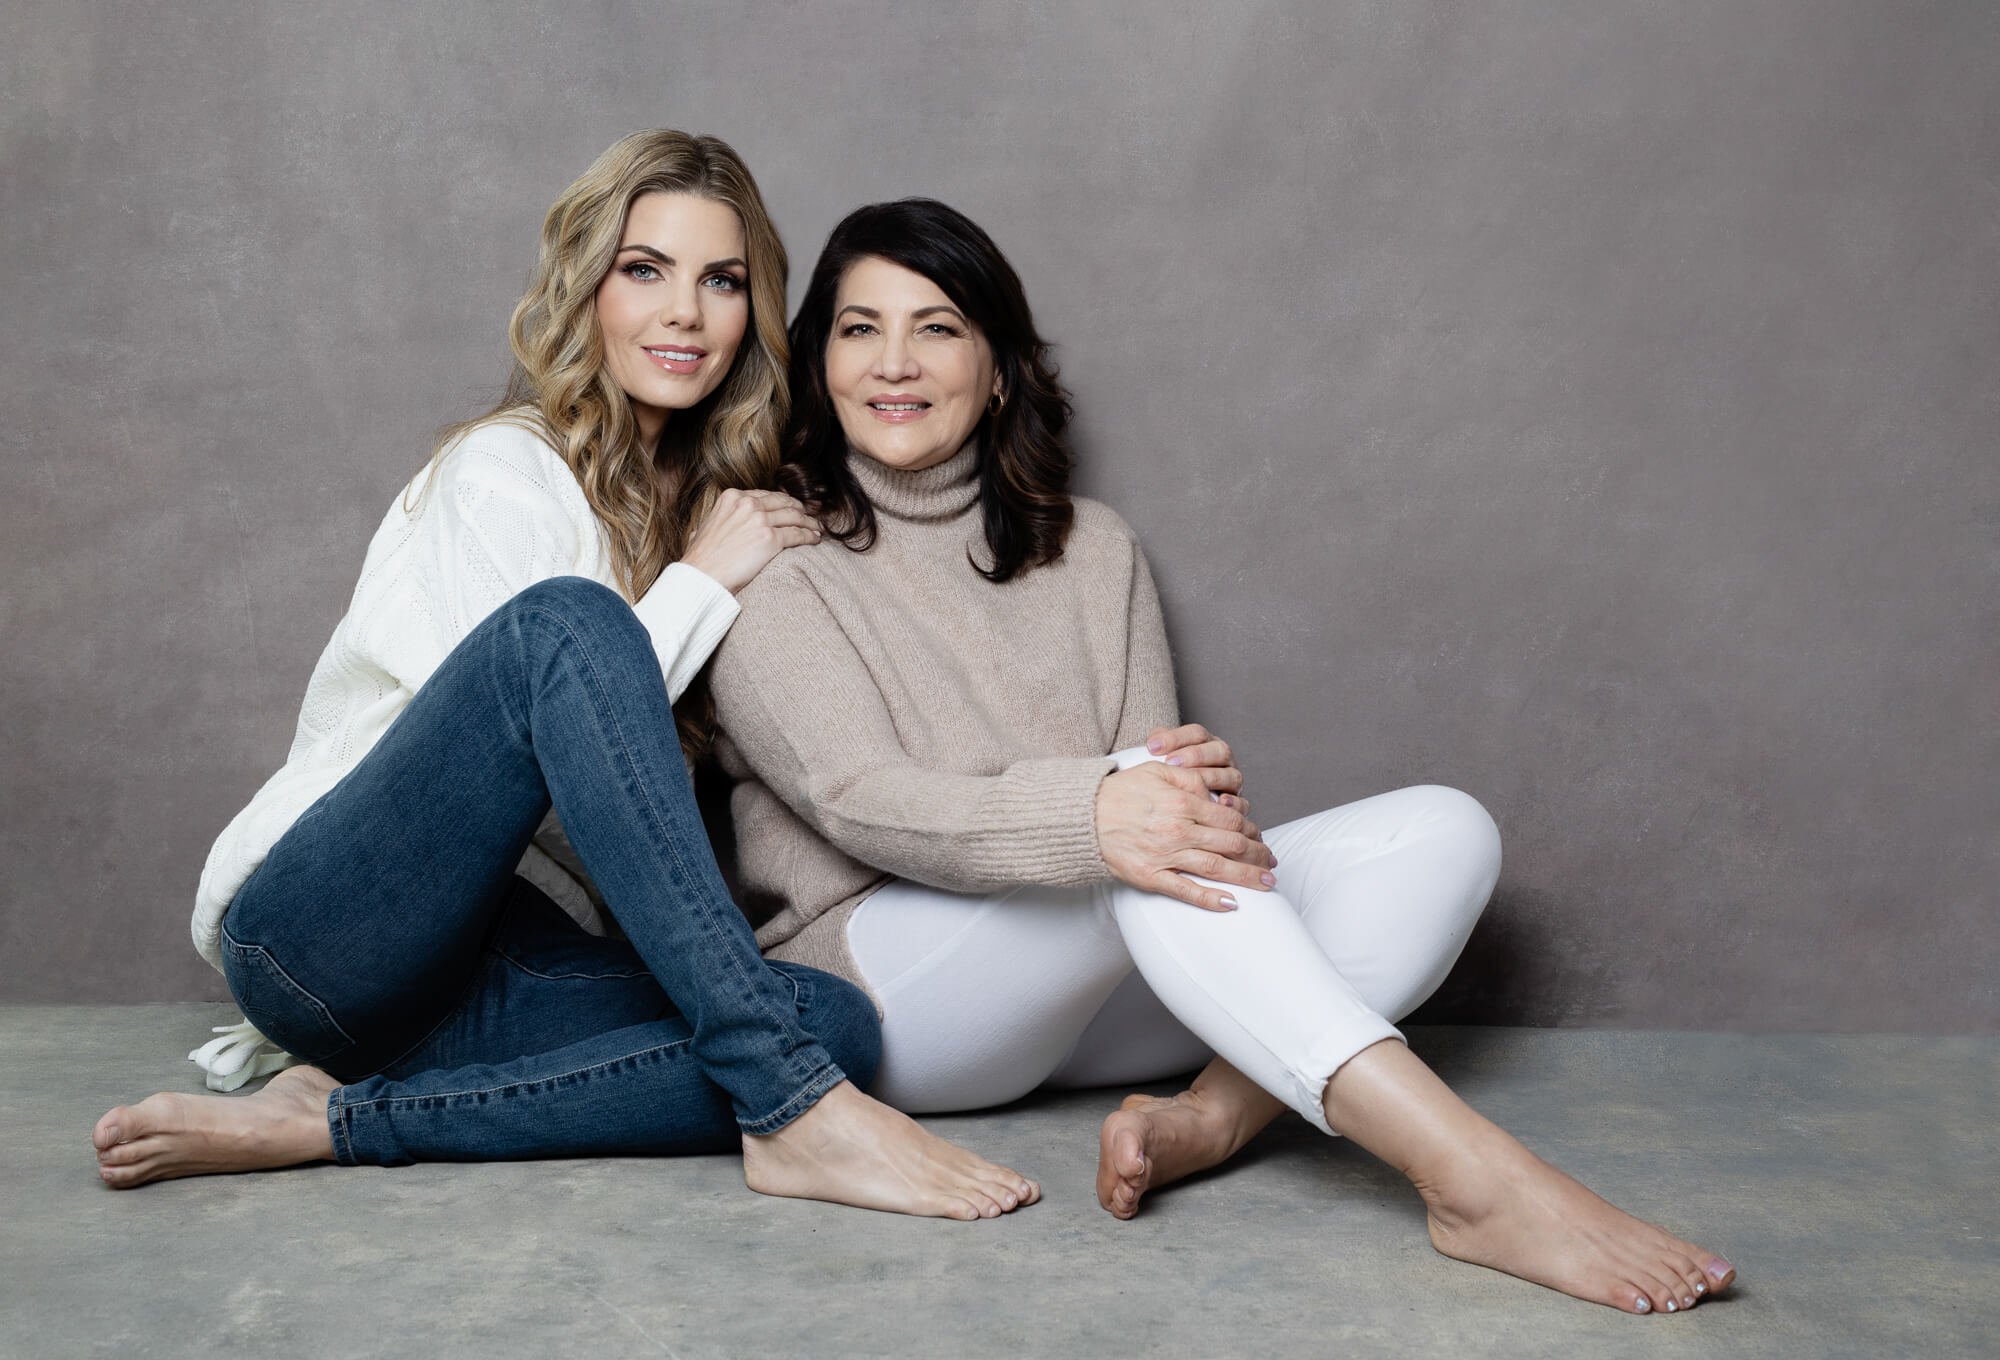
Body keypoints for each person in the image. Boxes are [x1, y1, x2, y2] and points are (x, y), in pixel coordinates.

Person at [707, 197, 1739, 1310]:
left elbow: (1159, 795)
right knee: (1138, 843)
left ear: (998, 367)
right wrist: (1105, 811)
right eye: (857, 328)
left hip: (1100, 997)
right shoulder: (776, 548)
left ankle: (1205, 1114)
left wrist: (1153, 798)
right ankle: (1474, 1179)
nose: (893, 362)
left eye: (938, 326)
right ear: (815, 363)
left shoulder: (1093, 549)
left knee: (1442, 828)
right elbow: (855, 798)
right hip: (893, 993)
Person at [90, 137, 1039, 1223]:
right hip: (324, 932)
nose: (683, 311)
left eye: (719, 281)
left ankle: (336, 1117)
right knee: (566, 628)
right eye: (644, 269)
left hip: (482, 973)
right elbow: (542, 748)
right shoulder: (505, 471)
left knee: (830, 1027)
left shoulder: (702, 506)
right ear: (585, 287)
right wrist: (696, 583)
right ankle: (793, 1112)